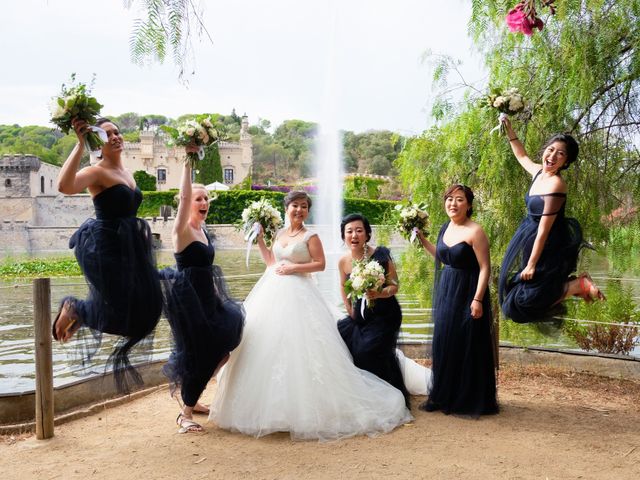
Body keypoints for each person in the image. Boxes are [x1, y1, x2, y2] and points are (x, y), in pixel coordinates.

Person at [210, 191, 412, 441]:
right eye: (295, 205)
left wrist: (295, 267)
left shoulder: (311, 236)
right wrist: (261, 240)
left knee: (304, 348)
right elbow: (272, 264)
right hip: (273, 293)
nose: (299, 210)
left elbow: (320, 264)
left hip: (301, 294)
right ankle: (273, 410)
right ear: (286, 208)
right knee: (267, 346)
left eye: (304, 206)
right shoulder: (281, 234)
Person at [53, 118, 163, 391]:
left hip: (129, 248)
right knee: (121, 304)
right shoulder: (96, 171)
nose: (115, 137)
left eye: (117, 132)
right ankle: (76, 309)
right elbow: (64, 187)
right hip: (103, 247)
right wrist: (79, 144)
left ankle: (84, 311)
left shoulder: (129, 173)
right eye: (107, 134)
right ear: (97, 143)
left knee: (147, 310)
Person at [160, 160, 244, 434]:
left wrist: (217, 295)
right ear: (187, 203)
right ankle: (184, 415)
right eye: (199, 198)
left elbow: (206, 270)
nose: (204, 201)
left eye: (207, 197)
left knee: (223, 350)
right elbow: (183, 196)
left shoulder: (203, 231)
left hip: (208, 299)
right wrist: (187, 161)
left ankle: (191, 399)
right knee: (199, 353)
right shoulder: (181, 230)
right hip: (187, 302)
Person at [498, 118, 605, 324]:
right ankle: (575, 285)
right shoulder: (539, 172)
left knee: (523, 301)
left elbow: (544, 231)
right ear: (545, 150)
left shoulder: (556, 185)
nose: (553, 155)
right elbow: (521, 155)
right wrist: (510, 130)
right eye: (551, 149)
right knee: (519, 294)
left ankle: (577, 286)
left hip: (547, 244)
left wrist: (531, 264)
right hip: (530, 239)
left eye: (561, 153)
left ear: (566, 162)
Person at [417, 185, 498, 417]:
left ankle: (468, 397)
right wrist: (423, 240)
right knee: (445, 338)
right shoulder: (445, 228)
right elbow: (443, 258)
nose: (453, 203)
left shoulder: (476, 231)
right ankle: (444, 394)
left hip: (469, 289)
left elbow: (485, 268)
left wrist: (478, 299)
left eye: (459, 199)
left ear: (469, 205)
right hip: (448, 289)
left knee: (468, 341)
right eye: (449, 199)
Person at [337, 213, 410, 405]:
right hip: (361, 314)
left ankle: (387, 393)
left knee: (367, 351)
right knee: (341, 343)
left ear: (367, 234)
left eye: (359, 231)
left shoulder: (381, 254)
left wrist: (379, 293)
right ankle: (362, 393)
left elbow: (394, 286)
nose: (354, 235)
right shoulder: (343, 262)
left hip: (385, 314)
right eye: (349, 231)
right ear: (344, 236)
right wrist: (350, 311)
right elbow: (344, 288)